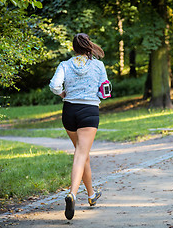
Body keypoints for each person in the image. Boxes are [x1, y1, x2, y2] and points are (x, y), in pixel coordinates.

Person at [49, 33, 110, 220]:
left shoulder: (65, 65)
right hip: (89, 111)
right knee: (81, 153)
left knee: (82, 153)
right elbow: (105, 89)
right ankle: (73, 194)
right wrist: (96, 94)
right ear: (89, 45)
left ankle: (91, 196)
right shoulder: (98, 65)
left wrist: (63, 94)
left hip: (69, 111)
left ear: (74, 48)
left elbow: (54, 86)